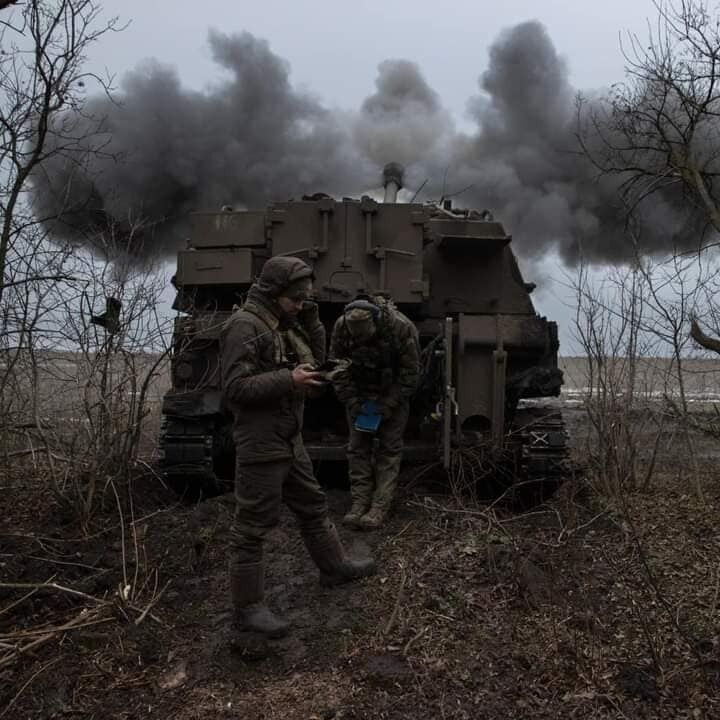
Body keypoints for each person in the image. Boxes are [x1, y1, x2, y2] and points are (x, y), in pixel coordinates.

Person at [220, 256, 376, 641]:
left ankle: (333, 567)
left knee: (313, 505)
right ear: (274, 293)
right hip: (260, 442)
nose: (300, 304)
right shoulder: (245, 325)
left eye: (305, 299)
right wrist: (288, 380)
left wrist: (308, 316)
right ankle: (247, 609)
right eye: (296, 299)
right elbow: (234, 389)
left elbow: (314, 353)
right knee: (252, 528)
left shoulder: (279, 322)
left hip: (289, 437)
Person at [330, 295, 420, 530]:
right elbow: (337, 369)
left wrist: (388, 405)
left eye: (364, 335)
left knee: (389, 450)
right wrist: (352, 401)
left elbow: (410, 374)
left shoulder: (400, 327)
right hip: (359, 394)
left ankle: (380, 506)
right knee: (358, 448)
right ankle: (359, 503)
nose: (358, 339)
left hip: (392, 392)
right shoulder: (342, 327)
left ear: (376, 323)